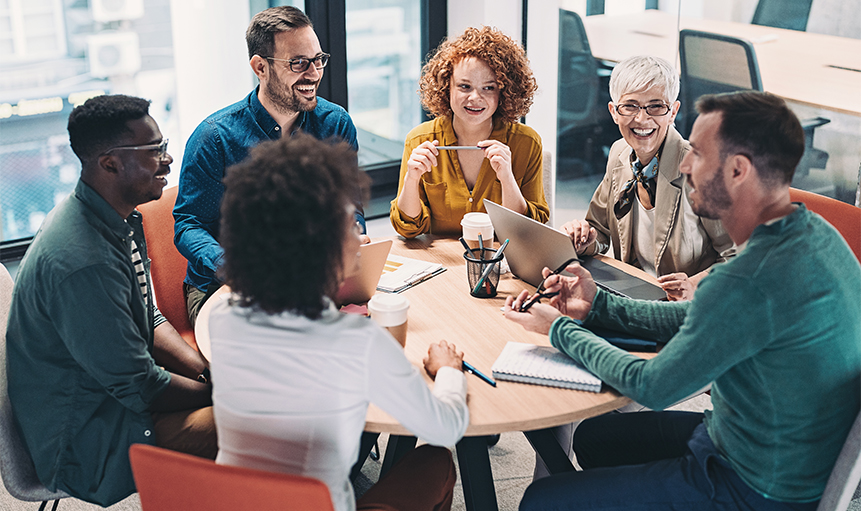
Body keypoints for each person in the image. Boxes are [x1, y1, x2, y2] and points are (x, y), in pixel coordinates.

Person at [503, 90, 861, 511]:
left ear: (738, 171)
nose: (685, 165)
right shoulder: (815, 235)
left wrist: (559, 328)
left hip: (751, 488)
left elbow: (652, 385)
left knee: (541, 502)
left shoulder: (748, 279)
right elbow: (698, 316)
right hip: (757, 441)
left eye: (698, 154)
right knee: (594, 439)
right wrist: (597, 304)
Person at [208, 134, 469, 511]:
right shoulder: (356, 341)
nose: (361, 236)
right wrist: (448, 373)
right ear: (318, 244)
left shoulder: (223, 317)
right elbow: (445, 427)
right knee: (437, 459)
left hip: (231, 505)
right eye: (349, 224)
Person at [5, 95, 217, 507]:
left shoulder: (108, 215)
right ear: (109, 163)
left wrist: (204, 369)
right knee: (268, 422)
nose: (169, 160)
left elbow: (146, 316)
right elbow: (140, 386)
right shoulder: (83, 261)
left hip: (108, 401)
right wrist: (222, 393)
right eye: (155, 150)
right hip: (86, 442)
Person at [174, 6, 363, 326]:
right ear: (260, 67)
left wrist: (354, 234)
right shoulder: (215, 138)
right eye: (299, 63)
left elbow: (351, 205)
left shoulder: (335, 124)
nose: (314, 73)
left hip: (311, 276)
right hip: (224, 287)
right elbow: (188, 225)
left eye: (318, 60)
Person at [561, 55, 734, 301]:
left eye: (656, 106)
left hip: (686, 310)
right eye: (630, 106)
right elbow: (599, 230)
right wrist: (581, 239)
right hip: (632, 296)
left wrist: (697, 285)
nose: (642, 119)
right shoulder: (619, 153)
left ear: (673, 112)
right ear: (614, 112)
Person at [390, 26, 549, 238]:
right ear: (446, 87)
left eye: (489, 88)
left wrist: (507, 178)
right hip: (442, 264)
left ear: (504, 91)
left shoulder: (527, 143)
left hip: (502, 264)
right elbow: (408, 228)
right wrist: (411, 179)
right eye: (464, 86)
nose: (475, 97)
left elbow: (529, 232)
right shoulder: (419, 140)